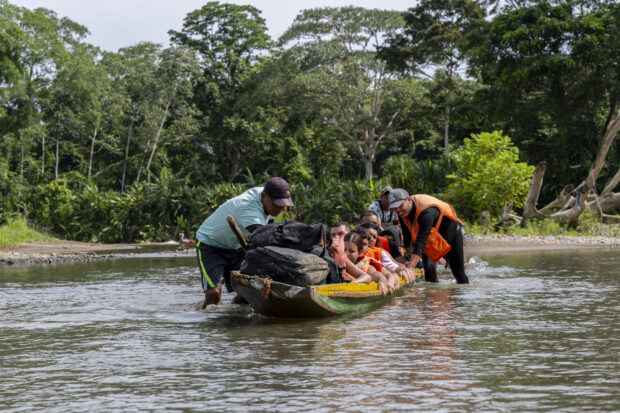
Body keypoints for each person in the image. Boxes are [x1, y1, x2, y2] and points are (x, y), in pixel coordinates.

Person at [195, 177, 293, 308]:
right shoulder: (249, 210)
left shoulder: (268, 199)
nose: (280, 209)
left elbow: (269, 228)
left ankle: (234, 314)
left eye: (283, 205)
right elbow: (264, 240)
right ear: (263, 196)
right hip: (210, 244)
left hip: (236, 246)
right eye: (277, 205)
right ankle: (208, 320)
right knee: (214, 293)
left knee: (248, 291)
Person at [388, 188, 469, 284]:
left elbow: (420, 243)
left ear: (409, 200)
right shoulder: (402, 214)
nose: (398, 210)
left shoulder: (426, 212)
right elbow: (408, 239)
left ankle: (461, 296)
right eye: (394, 208)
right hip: (431, 237)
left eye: (400, 205)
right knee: (429, 269)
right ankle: (431, 297)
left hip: (451, 233)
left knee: (459, 274)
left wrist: (410, 267)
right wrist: (410, 262)